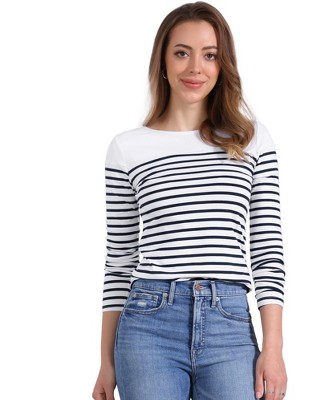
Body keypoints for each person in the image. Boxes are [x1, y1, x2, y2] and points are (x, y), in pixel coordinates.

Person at [92, 2, 287, 399]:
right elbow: (119, 262)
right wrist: (105, 362)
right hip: (148, 325)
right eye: (182, 53)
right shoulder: (127, 149)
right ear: (163, 62)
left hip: (229, 325)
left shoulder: (251, 140)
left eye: (210, 55)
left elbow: (267, 251)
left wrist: (274, 349)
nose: (195, 68)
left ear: (223, 65)